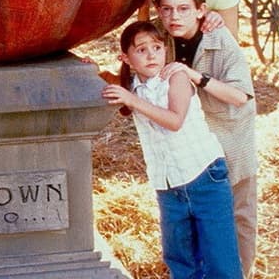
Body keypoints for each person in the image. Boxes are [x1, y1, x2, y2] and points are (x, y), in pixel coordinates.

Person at [102, 20, 243, 279]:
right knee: (180, 258)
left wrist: (132, 100)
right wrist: (91, 69)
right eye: (141, 50)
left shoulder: (176, 77)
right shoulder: (131, 85)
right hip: (167, 185)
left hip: (204, 176)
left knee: (220, 259)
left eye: (156, 47)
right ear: (126, 58)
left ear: (165, 50)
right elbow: (109, 80)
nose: (151, 55)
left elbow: (175, 120)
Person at [154, 0, 258, 278]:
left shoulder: (220, 40)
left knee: (237, 216)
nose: (174, 17)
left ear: (201, 10)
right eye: (167, 9)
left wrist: (195, 76)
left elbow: (240, 96)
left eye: (183, 8)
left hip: (228, 138)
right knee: (195, 218)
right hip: (189, 147)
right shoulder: (160, 38)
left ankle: (241, 273)